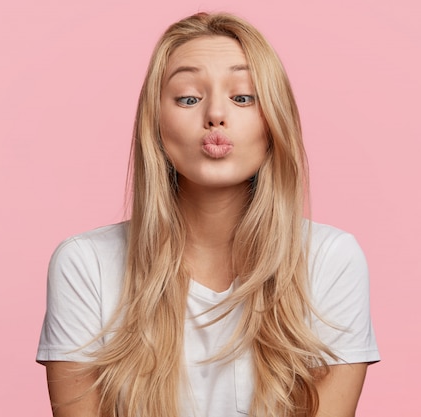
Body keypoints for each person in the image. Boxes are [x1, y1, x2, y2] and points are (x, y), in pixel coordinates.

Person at [37, 12, 379, 417]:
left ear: (274, 122)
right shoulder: (84, 264)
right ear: (156, 124)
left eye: (242, 97)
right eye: (188, 98)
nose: (215, 114)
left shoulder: (331, 259)